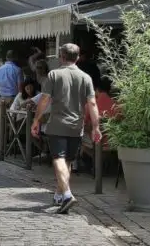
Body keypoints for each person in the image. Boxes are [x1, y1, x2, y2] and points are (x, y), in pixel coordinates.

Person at [31, 43, 101, 214]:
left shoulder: (54, 74)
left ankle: (68, 195)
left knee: (58, 159)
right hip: (76, 126)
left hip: (57, 125)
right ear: (77, 58)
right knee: (67, 161)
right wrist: (96, 127)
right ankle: (59, 194)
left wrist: (36, 120)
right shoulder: (86, 77)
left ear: (61, 57)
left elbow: (45, 100)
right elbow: (92, 103)